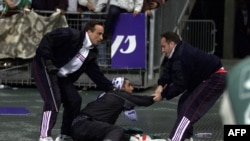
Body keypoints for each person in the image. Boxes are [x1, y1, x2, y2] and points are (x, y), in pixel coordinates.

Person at [31, 20, 115, 141]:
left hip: (61, 75)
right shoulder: (71, 35)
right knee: (54, 100)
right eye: (98, 33)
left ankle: (65, 134)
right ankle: (44, 136)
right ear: (89, 31)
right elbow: (48, 39)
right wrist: (48, 60)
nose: (101, 37)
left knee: (74, 100)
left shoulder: (91, 53)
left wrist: (112, 88)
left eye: (102, 34)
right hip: (44, 66)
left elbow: (97, 76)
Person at [152, 31, 227, 141]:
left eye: (163, 47)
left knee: (189, 109)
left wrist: (162, 95)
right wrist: (161, 84)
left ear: (172, 44)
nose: (162, 50)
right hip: (208, 77)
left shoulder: (181, 56)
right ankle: (187, 136)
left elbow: (180, 85)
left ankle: (176, 139)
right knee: (184, 101)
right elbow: (170, 67)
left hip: (215, 78)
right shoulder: (177, 51)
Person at [70, 76, 155, 141]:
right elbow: (144, 101)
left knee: (117, 133)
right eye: (129, 85)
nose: (132, 88)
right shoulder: (119, 95)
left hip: (79, 128)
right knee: (116, 130)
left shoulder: (106, 96)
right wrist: (158, 95)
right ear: (121, 88)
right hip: (86, 125)